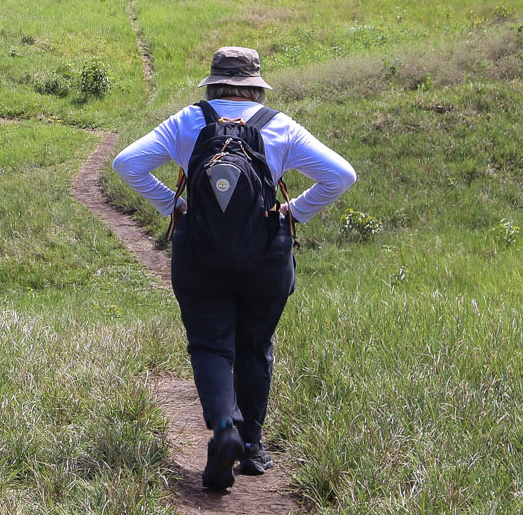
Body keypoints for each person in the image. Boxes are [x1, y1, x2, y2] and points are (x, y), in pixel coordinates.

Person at [111, 46, 357, 491]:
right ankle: (253, 446)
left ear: (213, 82)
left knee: (210, 345)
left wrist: (177, 206)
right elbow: (342, 176)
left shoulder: (188, 121)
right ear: (256, 86)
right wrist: (292, 214)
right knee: (255, 343)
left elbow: (126, 164)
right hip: (267, 253)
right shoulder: (279, 125)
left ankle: (224, 426)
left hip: (200, 252)